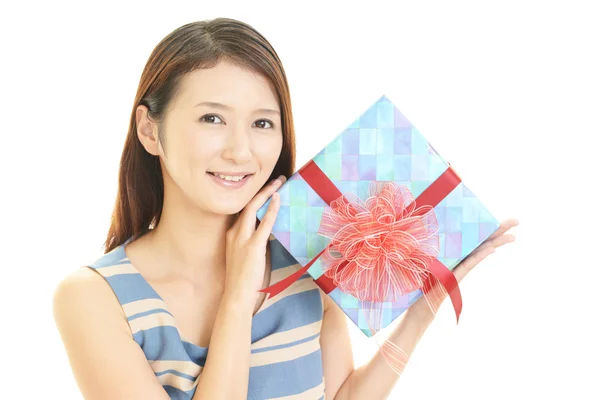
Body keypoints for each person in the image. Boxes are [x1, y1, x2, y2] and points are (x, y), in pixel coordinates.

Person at [52, 17, 518, 400]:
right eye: (211, 118)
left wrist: (422, 310)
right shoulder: (94, 299)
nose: (240, 151)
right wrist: (237, 298)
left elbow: (342, 398)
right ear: (150, 131)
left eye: (261, 123)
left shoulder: (305, 257)